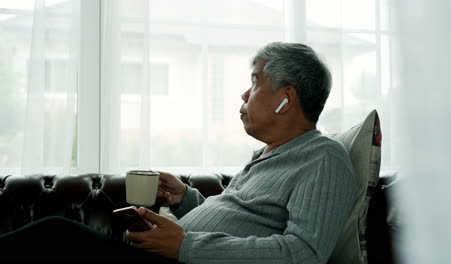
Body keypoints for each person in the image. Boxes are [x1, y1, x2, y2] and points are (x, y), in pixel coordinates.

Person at [0, 42, 358, 263]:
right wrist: (186, 199)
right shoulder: (268, 155)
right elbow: (242, 222)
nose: (244, 95)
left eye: (254, 81)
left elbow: (304, 253)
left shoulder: (323, 159)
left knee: (55, 236)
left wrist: (186, 247)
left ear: (286, 98)